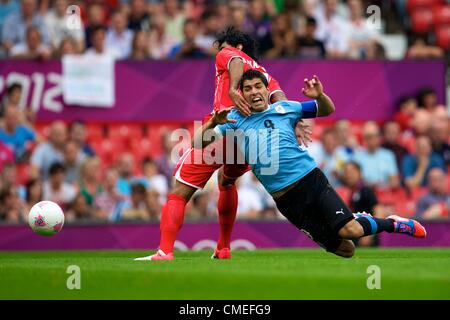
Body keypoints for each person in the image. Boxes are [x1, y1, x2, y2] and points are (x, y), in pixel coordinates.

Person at [169, 70, 425, 259]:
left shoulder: (285, 108)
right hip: (286, 201)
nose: (255, 91)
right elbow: (198, 143)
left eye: (259, 86)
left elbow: (327, 110)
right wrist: (213, 122)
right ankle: (355, 218)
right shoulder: (234, 119)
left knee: (351, 230)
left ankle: (393, 223)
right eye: (248, 88)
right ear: (241, 94)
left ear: (266, 90)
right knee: (347, 250)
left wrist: (320, 96)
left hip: (311, 181)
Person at [135, 28, 311, 261]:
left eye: (223, 47)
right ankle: (223, 247)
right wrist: (295, 124)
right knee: (226, 182)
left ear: (236, 46)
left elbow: (236, 60)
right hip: (250, 141)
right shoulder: (266, 76)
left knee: (180, 190)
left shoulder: (230, 54)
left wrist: (231, 89)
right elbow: (281, 101)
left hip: (222, 128)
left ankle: (165, 251)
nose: (219, 52)